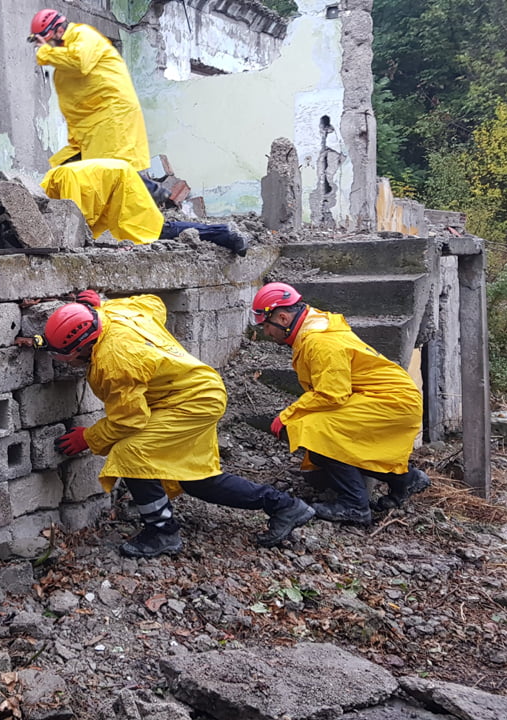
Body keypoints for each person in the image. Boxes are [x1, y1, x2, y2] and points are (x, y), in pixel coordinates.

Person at [35, 291, 315, 557]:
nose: (64, 362)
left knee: (130, 453)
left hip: (191, 402)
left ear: (83, 345)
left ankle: (161, 531)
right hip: (198, 390)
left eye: (65, 355)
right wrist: (102, 302)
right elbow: (154, 303)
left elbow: (129, 419)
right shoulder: (115, 311)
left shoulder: (114, 360)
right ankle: (285, 506)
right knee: (196, 479)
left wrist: (89, 438)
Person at [251, 282, 430, 525]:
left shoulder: (319, 342)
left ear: (282, 318)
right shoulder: (314, 328)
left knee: (314, 429)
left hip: (391, 401)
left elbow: (332, 394)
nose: (265, 332)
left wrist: (287, 415)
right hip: (388, 397)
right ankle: (404, 480)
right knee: (315, 427)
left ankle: (354, 505)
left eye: (266, 326)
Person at [41, 158, 250, 254]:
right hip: (119, 184)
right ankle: (221, 231)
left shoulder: (60, 180)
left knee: (157, 231)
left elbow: (76, 217)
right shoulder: (55, 179)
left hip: (124, 187)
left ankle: (223, 232)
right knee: (157, 229)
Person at [31, 9, 150, 172]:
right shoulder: (63, 61)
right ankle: (152, 189)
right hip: (92, 128)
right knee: (65, 170)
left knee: (114, 173)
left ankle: (152, 190)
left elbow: (80, 63)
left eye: (44, 41)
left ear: (59, 31)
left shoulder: (83, 35)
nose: (41, 46)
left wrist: (47, 52)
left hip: (111, 119)